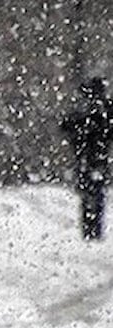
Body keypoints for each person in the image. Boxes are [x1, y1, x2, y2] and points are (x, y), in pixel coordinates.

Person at [62, 77, 113, 240]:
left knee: (91, 192)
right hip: (95, 156)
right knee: (94, 193)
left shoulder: (91, 109)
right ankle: (92, 229)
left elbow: (67, 126)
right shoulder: (101, 109)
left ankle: (90, 229)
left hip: (89, 156)